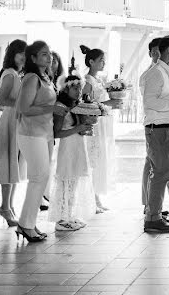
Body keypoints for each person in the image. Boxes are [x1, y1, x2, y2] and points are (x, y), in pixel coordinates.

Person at [141, 35, 169, 233]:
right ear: (168, 51)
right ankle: (152, 217)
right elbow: (150, 102)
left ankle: (155, 214)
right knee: (160, 173)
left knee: (164, 172)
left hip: (166, 127)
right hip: (157, 129)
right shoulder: (156, 73)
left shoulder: (167, 72)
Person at [15, 41, 58, 243]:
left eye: (48, 53)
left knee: (40, 177)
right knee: (39, 177)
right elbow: (24, 108)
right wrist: (51, 109)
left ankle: (28, 223)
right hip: (31, 133)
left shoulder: (46, 78)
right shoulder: (32, 78)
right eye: (43, 54)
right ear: (32, 58)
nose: (48, 57)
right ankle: (26, 225)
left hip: (44, 133)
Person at [49, 76, 95, 232]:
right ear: (66, 89)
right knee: (65, 180)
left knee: (74, 180)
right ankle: (61, 219)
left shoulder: (77, 106)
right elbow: (57, 132)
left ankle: (69, 215)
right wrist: (78, 129)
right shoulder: (61, 106)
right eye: (75, 88)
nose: (78, 91)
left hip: (77, 145)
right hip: (67, 146)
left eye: (79, 88)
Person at [0, 39, 27, 227]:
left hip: (17, 120)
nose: (24, 56)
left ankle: (9, 206)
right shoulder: (10, 74)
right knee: (8, 163)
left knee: (15, 165)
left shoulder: (16, 74)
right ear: (13, 54)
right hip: (11, 120)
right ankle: (5, 207)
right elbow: (3, 100)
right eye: (21, 52)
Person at [79, 45, 121, 213]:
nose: (104, 63)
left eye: (104, 60)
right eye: (100, 60)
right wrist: (108, 104)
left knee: (100, 159)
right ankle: (91, 198)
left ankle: (96, 196)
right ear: (91, 62)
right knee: (93, 160)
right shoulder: (87, 81)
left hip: (103, 123)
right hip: (94, 124)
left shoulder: (98, 80)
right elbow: (85, 105)